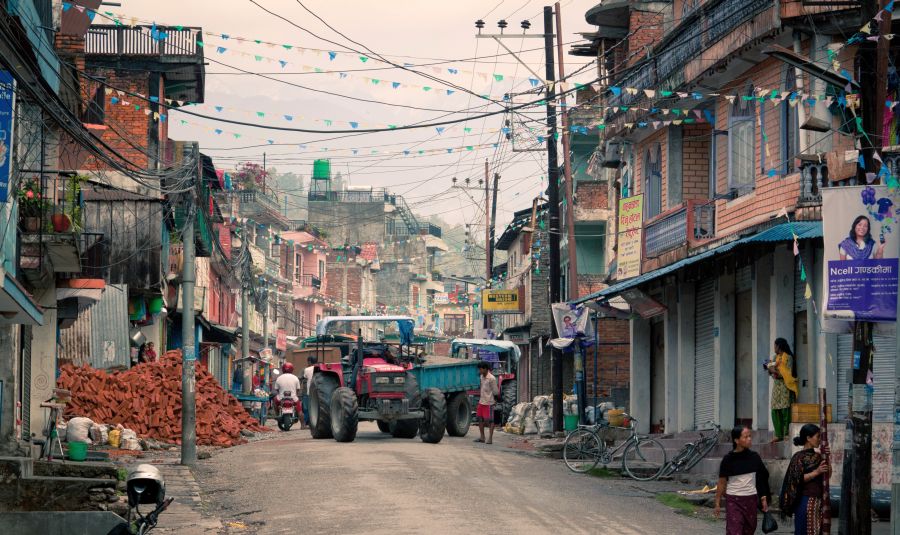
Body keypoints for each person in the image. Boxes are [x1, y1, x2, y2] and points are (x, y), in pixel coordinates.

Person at [715, 426, 771, 535]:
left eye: (750, 436)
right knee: (734, 531)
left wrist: (764, 498)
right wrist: (717, 502)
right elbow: (722, 482)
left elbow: (761, 478)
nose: (749, 439)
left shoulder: (754, 457)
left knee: (749, 530)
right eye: (746, 437)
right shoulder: (728, 459)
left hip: (751, 499)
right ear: (736, 440)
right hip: (733, 500)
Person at [779, 424, 830, 534]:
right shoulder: (798, 457)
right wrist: (816, 472)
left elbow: (828, 475)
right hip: (805, 500)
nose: (820, 440)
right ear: (808, 438)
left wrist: (827, 457)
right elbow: (795, 479)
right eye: (818, 437)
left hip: (819, 500)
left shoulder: (819, 456)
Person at [766, 338, 799, 442]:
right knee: (775, 410)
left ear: (779, 346)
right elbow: (772, 373)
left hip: (786, 387)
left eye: (775, 346)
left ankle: (786, 434)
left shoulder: (788, 358)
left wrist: (774, 371)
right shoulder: (775, 358)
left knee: (786, 410)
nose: (774, 348)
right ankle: (778, 434)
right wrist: (770, 370)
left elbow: (787, 374)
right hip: (776, 388)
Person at [474, 361, 499, 444]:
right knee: (480, 419)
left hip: (489, 402)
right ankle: (482, 437)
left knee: (489, 421)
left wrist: (494, 401)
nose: (479, 371)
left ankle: (490, 439)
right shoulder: (481, 377)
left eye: (480, 369)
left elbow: (495, 392)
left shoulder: (492, 378)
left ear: (485, 369)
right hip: (481, 401)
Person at [302, 356, 317, 428]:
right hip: (317, 393)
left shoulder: (307, 369)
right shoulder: (319, 368)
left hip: (309, 392)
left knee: (306, 408)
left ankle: (306, 422)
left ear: (309, 362)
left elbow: (304, 377)